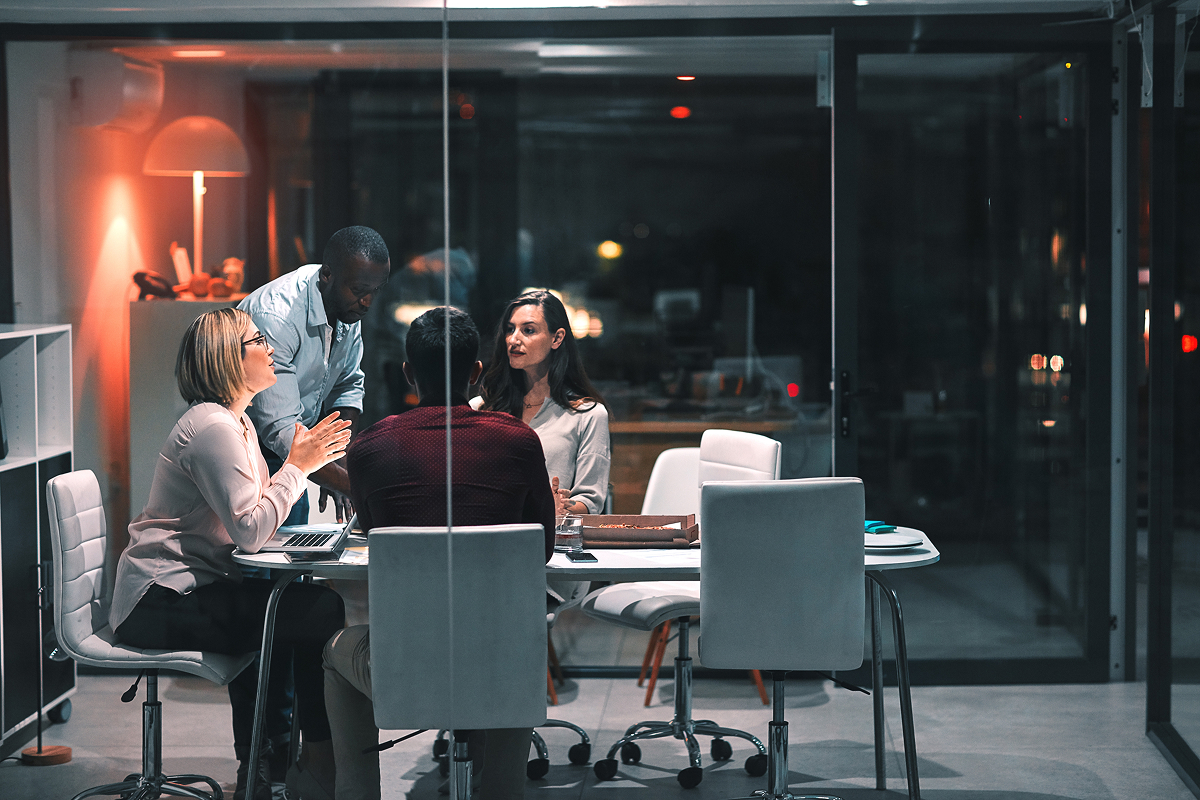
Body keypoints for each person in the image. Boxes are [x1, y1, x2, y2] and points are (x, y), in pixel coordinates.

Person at [110, 308, 351, 800]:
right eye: (257, 340)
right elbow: (250, 530)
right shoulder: (213, 429)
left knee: (292, 610)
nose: (271, 348)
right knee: (314, 610)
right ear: (228, 358)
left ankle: (271, 762)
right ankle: (303, 763)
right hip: (158, 599)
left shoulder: (234, 423)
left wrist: (297, 466)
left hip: (186, 589)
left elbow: (257, 515)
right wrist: (298, 467)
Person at [323, 306, 556, 800]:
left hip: (405, 663)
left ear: (408, 373)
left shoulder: (369, 450)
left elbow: (372, 534)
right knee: (516, 649)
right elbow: (544, 546)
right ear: (476, 372)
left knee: (334, 652)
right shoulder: (519, 442)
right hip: (504, 663)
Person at [237, 225, 391, 524]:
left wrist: (338, 462)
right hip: (247, 454)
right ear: (327, 275)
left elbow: (347, 387)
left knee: (295, 557)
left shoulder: (347, 304)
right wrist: (354, 487)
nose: (367, 302)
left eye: (375, 291)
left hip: (295, 451)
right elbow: (280, 430)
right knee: (257, 561)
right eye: (359, 291)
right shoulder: (277, 318)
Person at [477, 290, 610, 517]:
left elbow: (589, 502)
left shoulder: (589, 414)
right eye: (510, 329)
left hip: (551, 543)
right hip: (488, 536)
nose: (513, 339)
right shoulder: (480, 409)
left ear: (557, 338)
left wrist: (559, 508)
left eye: (528, 330)